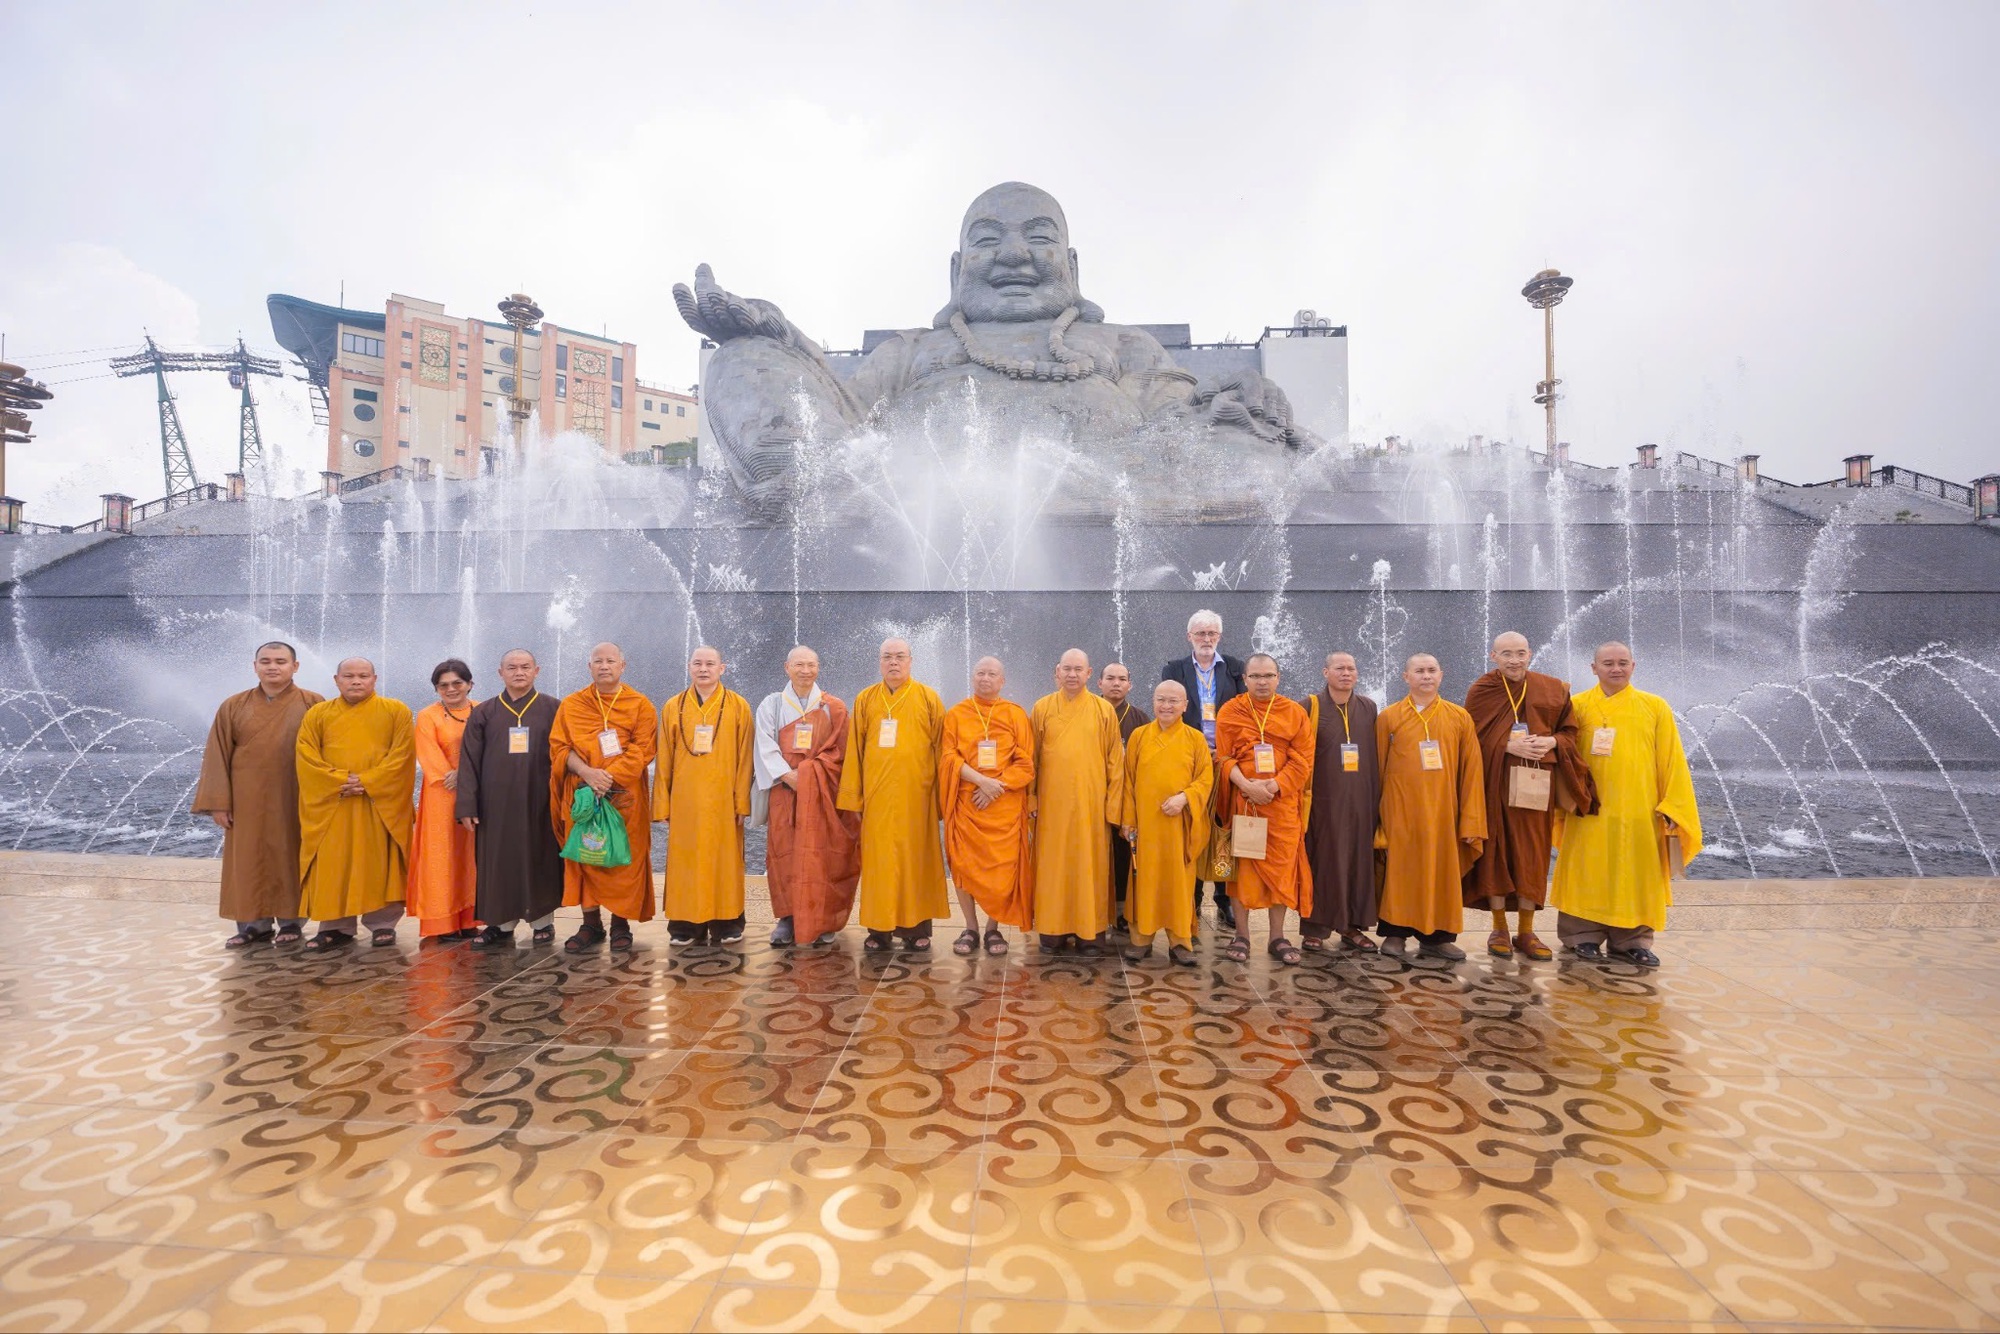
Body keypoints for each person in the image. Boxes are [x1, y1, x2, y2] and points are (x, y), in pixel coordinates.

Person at [1550, 642, 1702, 967]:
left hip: (1640, 810)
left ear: (1634, 666)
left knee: (1637, 874)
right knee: (1586, 871)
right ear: (1594, 668)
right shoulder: (1576, 706)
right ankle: (1582, 936)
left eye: (1622, 663)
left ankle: (1633, 940)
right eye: (1608, 663)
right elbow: (1562, 755)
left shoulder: (1654, 706)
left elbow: (1672, 760)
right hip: (1589, 810)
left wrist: (1672, 806)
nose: (1615, 669)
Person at [1463, 631, 1597, 960]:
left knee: (1532, 855)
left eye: (1520, 652)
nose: (1515, 660)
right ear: (1493, 656)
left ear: (1530, 653)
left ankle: (1526, 931)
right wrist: (1506, 744)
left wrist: (1550, 743)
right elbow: (1468, 740)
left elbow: (1570, 734)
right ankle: (1499, 928)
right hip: (1495, 785)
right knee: (1495, 852)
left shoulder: (1551, 688)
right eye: (1506, 654)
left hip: (1536, 787)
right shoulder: (1482, 690)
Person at [192, 641, 324, 948]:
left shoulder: (313, 703)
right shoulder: (233, 706)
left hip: (294, 795)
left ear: (295, 666)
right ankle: (252, 925)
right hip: (245, 799)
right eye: (265, 661)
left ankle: (291, 920)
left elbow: (328, 751)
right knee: (247, 859)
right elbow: (217, 755)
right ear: (255, 667)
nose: (272, 666)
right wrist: (218, 803)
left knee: (290, 854)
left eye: (280, 661)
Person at [295, 657, 416, 952]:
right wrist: (337, 781)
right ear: (336, 680)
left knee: (380, 861)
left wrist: (369, 781)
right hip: (335, 805)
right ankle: (335, 926)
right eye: (349, 676)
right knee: (334, 863)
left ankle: (383, 923)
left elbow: (403, 755)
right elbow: (306, 755)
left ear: (375, 679)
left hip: (378, 804)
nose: (356, 681)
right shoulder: (318, 714)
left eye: (363, 676)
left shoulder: (395, 711)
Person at [837, 638, 949, 953]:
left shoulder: (928, 698)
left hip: (918, 798)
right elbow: (854, 752)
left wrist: (942, 799)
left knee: (916, 863)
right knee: (879, 864)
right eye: (887, 657)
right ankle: (879, 931)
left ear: (911, 661)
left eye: (900, 656)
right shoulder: (865, 699)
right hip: (877, 798)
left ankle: (916, 930)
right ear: (879, 661)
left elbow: (943, 750)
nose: (894, 663)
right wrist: (853, 798)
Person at [1375, 653, 1486, 961]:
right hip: (1401, 813)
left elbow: (1471, 771)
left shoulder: (1459, 717)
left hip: (1443, 813)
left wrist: (1471, 819)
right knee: (1400, 872)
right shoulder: (1389, 717)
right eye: (1419, 671)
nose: (1426, 676)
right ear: (1406, 677)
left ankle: (1437, 938)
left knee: (1441, 873)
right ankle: (1395, 933)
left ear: (1441, 675)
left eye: (1431, 670)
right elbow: (1378, 768)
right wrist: (1378, 816)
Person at [551, 642, 659, 953]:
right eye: (598, 661)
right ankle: (591, 924)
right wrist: (588, 774)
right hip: (583, 793)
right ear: (589, 667)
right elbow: (559, 748)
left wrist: (606, 778)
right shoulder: (573, 704)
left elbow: (643, 750)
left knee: (624, 858)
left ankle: (620, 924)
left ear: (622, 666)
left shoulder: (640, 704)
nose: (604, 666)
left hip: (623, 795)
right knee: (586, 855)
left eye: (611, 660)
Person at [753, 645, 860, 948]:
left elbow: (840, 751)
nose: (805, 671)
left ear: (818, 668)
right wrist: (788, 776)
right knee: (783, 854)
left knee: (822, 853)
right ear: (786, 667)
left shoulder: (833, 707)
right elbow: (763, 744)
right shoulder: (772, 705)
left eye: (811, 665)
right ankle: (787, 919)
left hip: (821, 794)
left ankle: (823, 919)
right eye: (799, 665)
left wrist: (811, 776)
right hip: (784, 792)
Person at [457, 649, 564, 949]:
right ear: (500, 672)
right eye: (512, 667)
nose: (519, 672)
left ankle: (543, 922)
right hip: (495, 805)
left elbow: (565, 754)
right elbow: (469, 761)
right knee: (497, 862)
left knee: (540, 858)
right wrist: (467, 804)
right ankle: (500, 925)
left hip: (540, 801)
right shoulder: (484, 712)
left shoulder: (554, 708)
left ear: (537, 671)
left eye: (525, 667)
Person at [1214, 653, 1315, 964]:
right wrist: (1247, 786)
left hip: (1281, 804)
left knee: (1283, 870)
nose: (1262, 682)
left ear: (1278, 678)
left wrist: (1272, 786)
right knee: (1242, 870)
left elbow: (1303, 759)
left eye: (1268, 676)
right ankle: (1241, 935)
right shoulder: (1232, 710)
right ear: (1245, 679)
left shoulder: (1294, 713)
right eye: (1255, 676)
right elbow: (1224, 757)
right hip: (1244, 804)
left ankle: (1277, 936)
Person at [654, 646, 755, 946]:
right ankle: (685, 926)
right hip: (685, 801)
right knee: (686, 861)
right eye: (697, 663)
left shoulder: (738, 705)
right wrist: (662, 802)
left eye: (710, 663)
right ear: (689, 667)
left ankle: (726, 923)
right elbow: (664, 757)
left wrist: (742, 802)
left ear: (722, 668)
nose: (704, 669)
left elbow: (745, 758)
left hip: (724, 800)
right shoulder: (674, 706)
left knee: (725, 861)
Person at [1030, 648, 1126, 956]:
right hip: (1052, 808)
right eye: (1066, 669)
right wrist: (1031, 799)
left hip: (1091, 806)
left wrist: (1113, 805)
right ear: (1056, 672)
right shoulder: (1042, 708)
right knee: (1053, 867)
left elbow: (1115, 761)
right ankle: (1052, 928)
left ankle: (1091, 932)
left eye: (1078, 669)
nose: (1072, 674)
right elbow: (1030, 760)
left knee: (1091, 866)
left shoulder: (1102, 710)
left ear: (1088, 674)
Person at [940, 656, 1035, 956]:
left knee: (1003, 870)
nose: (985, 678)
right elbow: (948, 757)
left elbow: (1026, 763)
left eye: (992, 674)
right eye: (980, 673)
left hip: (1003, 805)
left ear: (1002, 680)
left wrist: (996, 787)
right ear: (973, 676)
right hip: (969, 803)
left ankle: (993, 930)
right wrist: (981, 781)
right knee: (963, 866)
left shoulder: (1015, 714)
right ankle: (970, 927)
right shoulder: (956, 714)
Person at [1160, 609, 1243, 930]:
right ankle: (1192, 898)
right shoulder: (1175, 669)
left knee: (1222, 830)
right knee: (1192, 827)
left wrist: (1223, 751)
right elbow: (1169, 707)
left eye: (1211, 634)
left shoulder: (1235, 668)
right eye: (1200, 634)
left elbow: (1242, 711)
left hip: (1225, 761)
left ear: (1219, 637)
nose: (1206, 639)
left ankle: (1223, 898)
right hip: (1189, 759)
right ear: (1189, 637)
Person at [1119, 681, 1212, 966]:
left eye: (1173, 701)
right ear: (1153, 702)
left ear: (1185, 705)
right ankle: (1141, 939)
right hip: (1146, 825)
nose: (1166, 706)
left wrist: (1185, 798)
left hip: (1178, 825)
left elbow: (1205, 779)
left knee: (1178, 883)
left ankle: (1180, 942)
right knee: (1143, 880)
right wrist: (1128, 820)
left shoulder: (1195, 739)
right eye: (1161, 700)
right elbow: (1128, 782)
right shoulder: (1139, 736)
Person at [1300, 650, 1382, 953]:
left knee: (1357, 861)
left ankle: (1352, 927)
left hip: (1361, 799)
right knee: (1322, 860)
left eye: (1351, 668)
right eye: (1339, 668)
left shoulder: (1368, 707)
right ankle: (1315, 928)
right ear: (1325, 672)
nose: (1346, 673)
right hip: (1324, 801)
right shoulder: (1310, 706)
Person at [407, 659, 480, 942]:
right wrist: (451, 775)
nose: (451, 689)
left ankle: (471, 918)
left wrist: (465, 774)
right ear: (437, 688)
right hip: (441, 794)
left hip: (475, 791)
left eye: (457, 683)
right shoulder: (427, 715)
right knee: (442, 856)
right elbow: (427, 753)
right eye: (443, 685)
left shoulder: (482, 710)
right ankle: (444, 922)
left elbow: (490, 748)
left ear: (469, 684)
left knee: (471, 856)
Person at [1099, 662, 1148, 932]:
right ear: (1100, 683)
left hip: (1127, 796)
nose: (1116, 683)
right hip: (1094, 795)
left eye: (1121, 679)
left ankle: (1120, 910)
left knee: (1122, 854)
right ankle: (1093, 906)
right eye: (1110, 678)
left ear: (1130, 684)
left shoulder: (1140, 719)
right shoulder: (1090, 712)